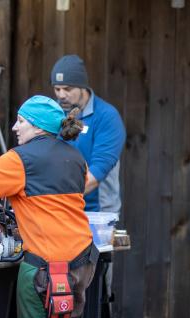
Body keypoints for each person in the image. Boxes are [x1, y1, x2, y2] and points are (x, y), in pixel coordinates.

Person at [0, 95, 97, 318]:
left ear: (37, 127)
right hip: (82, 263)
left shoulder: (19, 159)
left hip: (43, 267)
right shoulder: (76, 158)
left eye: (21, 121)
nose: (15, 127)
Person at [51, 54, 126, 213]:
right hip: (57, 207)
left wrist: (57, 199)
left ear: (82, 86)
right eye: (57, 89)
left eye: (67, 89)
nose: (61, 95)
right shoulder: (52, 113)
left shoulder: (107, 116)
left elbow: (98, 170)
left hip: (95, 211)